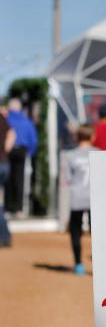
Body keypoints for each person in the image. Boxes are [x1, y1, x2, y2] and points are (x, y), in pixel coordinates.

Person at [63, 125, 96, 275]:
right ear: (92, 137)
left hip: (77, 197)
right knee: (96, 233)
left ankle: (78, 264)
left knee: (76, 231)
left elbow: (68, 179)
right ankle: (99, 264)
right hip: (94, 199)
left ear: (77, 137)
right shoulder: (99, 153)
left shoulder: (70, 155)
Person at [4, 98, 38, 216]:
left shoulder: (6, 119)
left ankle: (8, 208)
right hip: (22, 151)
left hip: (7, 151)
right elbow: (33, 140)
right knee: (20, 179)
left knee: (8, 179)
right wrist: (30, 153)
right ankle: (18, 208)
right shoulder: (27, 121)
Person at [0, 109, 14, 247]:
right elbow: (12, 134)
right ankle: (5, 236)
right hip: (4, 163)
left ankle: (5, 236)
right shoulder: (3, 118)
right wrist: (5, 151)